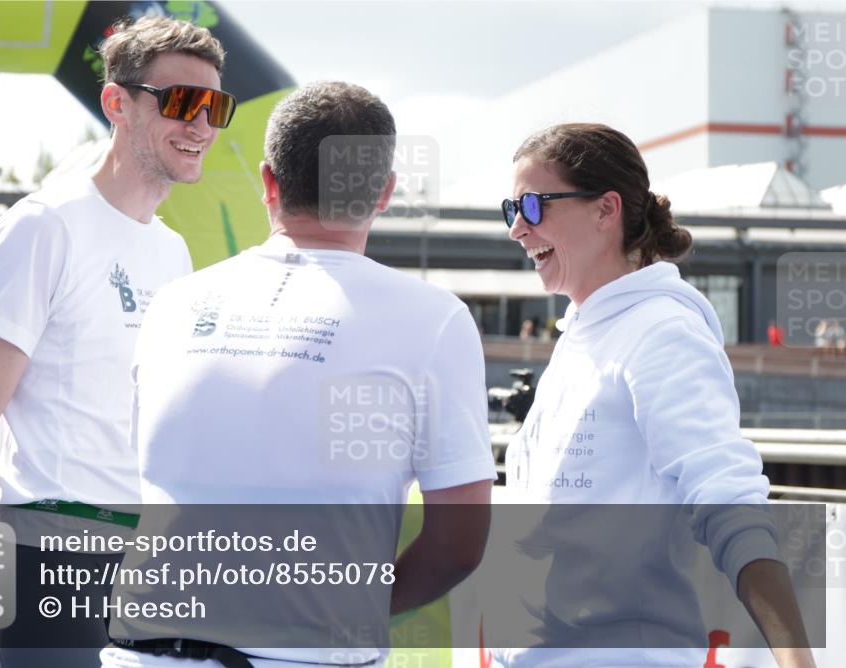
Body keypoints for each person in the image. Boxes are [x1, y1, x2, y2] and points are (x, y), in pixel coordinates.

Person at [100, 81, 496, 668]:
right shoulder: (434, 320)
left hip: (140, 648)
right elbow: (459, 545)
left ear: (267, 182)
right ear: (383, 193)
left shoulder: (174, 304)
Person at [0, 15, 235, 668]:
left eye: (217, 106)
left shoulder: (172, 251)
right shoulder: (43, 228)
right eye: (182, 102)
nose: (202, 125)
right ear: (117, 103)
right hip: (41, 561)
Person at [493, 123, 814, 667]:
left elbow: (729, 502)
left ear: (605, 209)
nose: (517, 228)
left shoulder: (662, 333)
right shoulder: (586, 331)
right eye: (510, 208)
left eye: (533, 204)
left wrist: (797, 662)